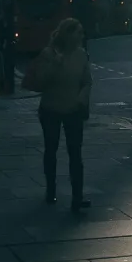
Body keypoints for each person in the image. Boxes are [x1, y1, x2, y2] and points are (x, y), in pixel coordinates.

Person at [33, 17, 93, 213]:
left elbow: (87, 81)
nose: (82, 36)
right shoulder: (49, 53)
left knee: (75, 153)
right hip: (50, 109)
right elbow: (39, 82)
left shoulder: (82, 55)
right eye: (78, 32)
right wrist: (55, 65)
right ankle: (51, 190)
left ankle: (78, 196)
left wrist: (82, 100)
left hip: (73, 110)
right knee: (51, 150)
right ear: (68, 34)